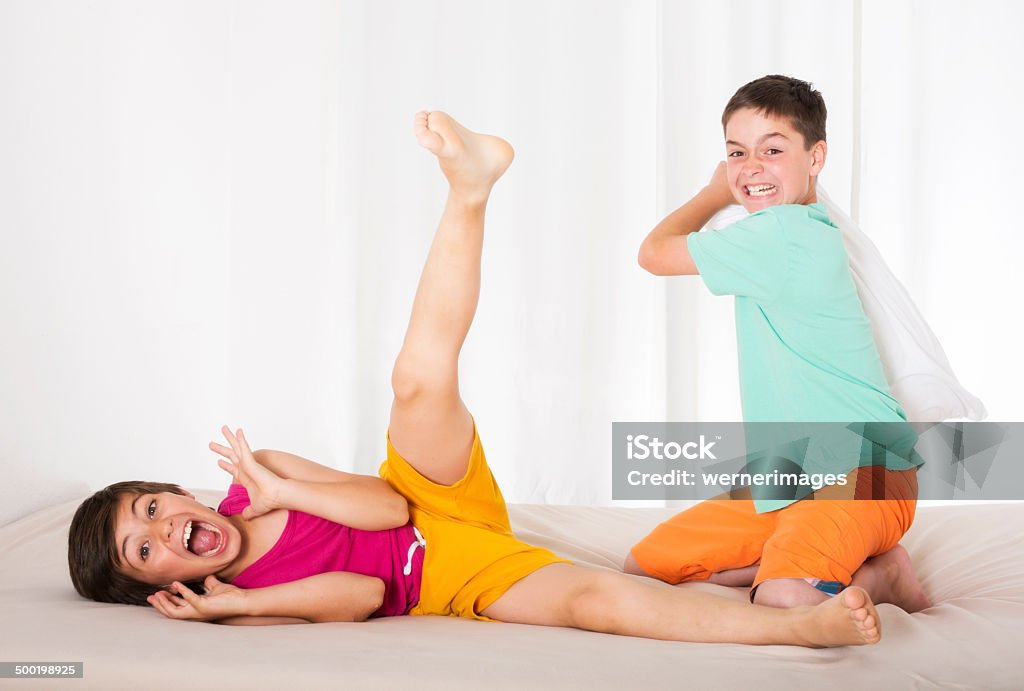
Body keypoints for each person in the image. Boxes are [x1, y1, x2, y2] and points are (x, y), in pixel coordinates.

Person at [69, 111, 881, 646]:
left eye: (151, 508)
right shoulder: (240, 586)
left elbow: (386, 505)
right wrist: (241, 603)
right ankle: (794, 627)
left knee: (417, 381)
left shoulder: (258, 479)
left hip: (426, 492)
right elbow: (358, 594)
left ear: (173, 491)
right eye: (145, 551)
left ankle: (469, 190)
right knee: (590, 602)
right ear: (162, 586)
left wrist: (283, 492)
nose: (165, 530)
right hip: (438, 575)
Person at [629, 75, 931, 613]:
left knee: (783, 598)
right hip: (790, 479)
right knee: (647, 566)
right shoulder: (788, 231)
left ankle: (882, 576)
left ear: (816, 158)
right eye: (736, 153)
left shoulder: (781, 234)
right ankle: (847, 566)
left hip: (863, 476)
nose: (751, 167)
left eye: (773, 150)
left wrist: (714, 192)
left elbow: (654, 253)